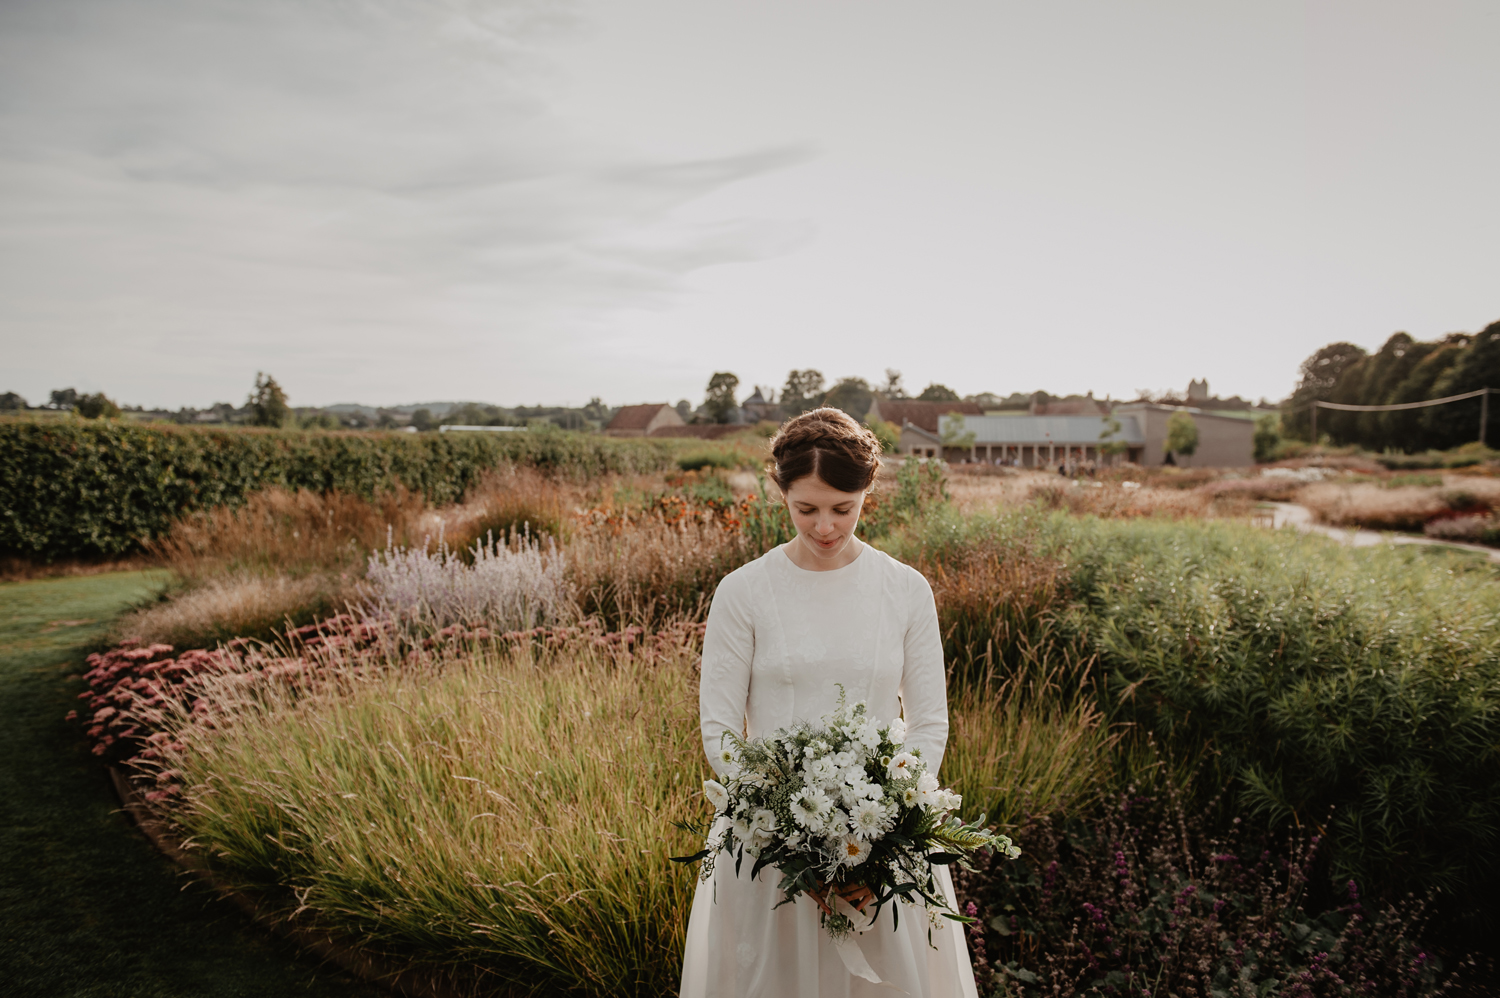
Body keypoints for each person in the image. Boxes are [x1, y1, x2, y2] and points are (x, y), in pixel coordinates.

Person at [679, 407, 979, 998]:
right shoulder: (743, 592)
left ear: (867, 492)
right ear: (781, 493)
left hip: (883, 856)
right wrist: (798, 845)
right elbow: (720, 730)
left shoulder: (905, 590)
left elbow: (927, 724)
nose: (824, 526)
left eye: (842, 508)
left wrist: (877, 846)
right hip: (769, 853)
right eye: (806, 508)